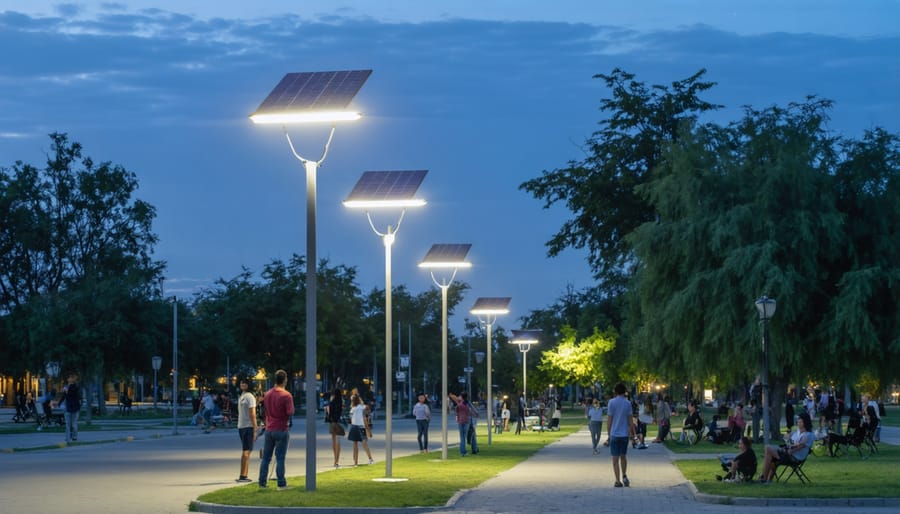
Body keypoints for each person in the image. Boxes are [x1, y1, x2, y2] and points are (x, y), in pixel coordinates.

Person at [257, 369, 294, 490]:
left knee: (266, 458)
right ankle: (281, 483)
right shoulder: (286, 395)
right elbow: (290, 412)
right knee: (280, 458)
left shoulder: (267, 394)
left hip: (269, 429)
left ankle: (262, 482)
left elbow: (264, 410)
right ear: (284, 380)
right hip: (282, 428)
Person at [758, 411, 813, 483]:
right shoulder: (797, 432)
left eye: (801, 422)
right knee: (770, 454)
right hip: (788, 452)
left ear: (806, 423)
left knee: (768, 448)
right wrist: (790, 441)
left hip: (794, 457)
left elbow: (799, 446)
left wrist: (790, 447)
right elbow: (786, 437)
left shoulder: (808, 435)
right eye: (798, 422)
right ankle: (767, 480)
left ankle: (763, 478)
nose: (799, 424)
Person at [607, 382, 635, 487]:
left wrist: (608, 434)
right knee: (623, 456)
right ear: (624, 392)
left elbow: (610, 419)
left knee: (615, 459)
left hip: (614, 434)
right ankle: (624, 474)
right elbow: (630, 421)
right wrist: (633, 434)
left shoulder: (611, 402)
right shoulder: (627, 403)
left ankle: (617, 481)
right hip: (624, 434)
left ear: (615, 392)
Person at [235, 378, 258, 482]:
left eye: (244, 382)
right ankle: (243, 476)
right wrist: (255, 427)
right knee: (247, 451)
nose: (243, 384)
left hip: (241, 426)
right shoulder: (250, 397)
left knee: (246, 450)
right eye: (242, 382)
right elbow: (252, 413)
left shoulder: (242, 397)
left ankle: (244, 474)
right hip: (248, 426)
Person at [347, 393, 374, 465]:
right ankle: (370, 459)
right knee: (364, 444)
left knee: (355, 445)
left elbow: (350, 418)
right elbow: (368, 410)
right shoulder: (362, 407)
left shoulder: (352, 409)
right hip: (361, 427)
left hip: (353, 427)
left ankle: (355, 462)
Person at [449, 391, 478, 456]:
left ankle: (464, 451)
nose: (458, 397)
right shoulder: (466, 403)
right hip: (467, 421)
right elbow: (474, 413)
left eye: (459, 396)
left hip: (463, 422)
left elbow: (454, 398)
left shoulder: (460, 403)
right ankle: (473, 450)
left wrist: (451, 395)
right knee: (470, 436)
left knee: (463, 437)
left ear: (461, 397)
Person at [324, 388, 345, 467]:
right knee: (338, 442)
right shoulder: (340, 402)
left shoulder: (331, 403)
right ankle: (336, 461)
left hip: (332, 423)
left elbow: (328, 414)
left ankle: (335, 460)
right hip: (338, 423)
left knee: (333, 442)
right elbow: (341, 412)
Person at [61, 373, 81, 443]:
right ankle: (67, 438)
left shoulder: (76, 387)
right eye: (68, 378)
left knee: (74, 424)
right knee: (67, 424)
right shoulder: (66, 387)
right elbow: (64, 396)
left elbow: (72, 393)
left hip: (75, 408)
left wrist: (66, 391)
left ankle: (74, 437)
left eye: (69, 378)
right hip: (68, 408)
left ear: (73, 379)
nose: (68, 379)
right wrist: (58, 403)